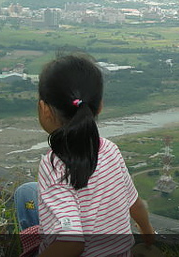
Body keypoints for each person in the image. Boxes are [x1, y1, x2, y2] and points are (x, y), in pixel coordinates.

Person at [14, 53, 155, 257]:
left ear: (44, 110)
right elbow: (135, 204)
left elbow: (71, 243)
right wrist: (148, 235)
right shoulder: (109, 149)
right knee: (28, 191)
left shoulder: (54, 165)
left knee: (24, 196)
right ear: (99, 106)